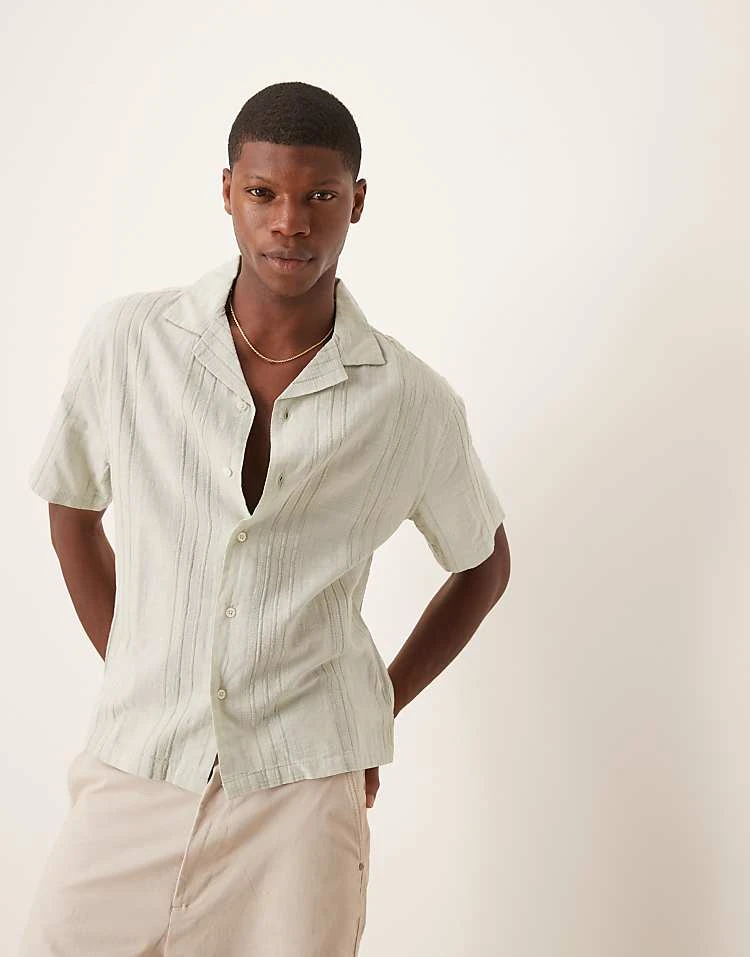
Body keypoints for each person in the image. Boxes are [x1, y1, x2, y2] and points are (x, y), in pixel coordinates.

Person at [19, 80, 511, 957]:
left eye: (320, 195)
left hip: (304, 795)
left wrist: (376, 707)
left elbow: (484, 563)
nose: (290, 221)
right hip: (137, 769)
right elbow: (72, 509)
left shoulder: (409, 400)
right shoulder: (130, 343)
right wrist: (145, 664)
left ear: (357, 201)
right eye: (263, 192)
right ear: (227, 192)